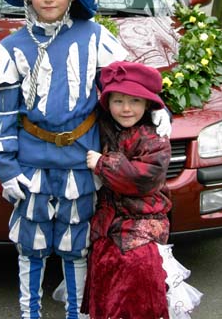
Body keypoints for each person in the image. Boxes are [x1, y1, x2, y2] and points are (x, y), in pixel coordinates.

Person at [0, 0, 172, 319]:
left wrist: (158, 109)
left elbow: (124, 90)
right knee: (31, 245)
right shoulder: (12, 47)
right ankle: (29, 312)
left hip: (80, 163)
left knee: (75, 243)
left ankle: (75, 313)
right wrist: (6, 167)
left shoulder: (95, 38)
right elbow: (1, 118)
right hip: (32, 164)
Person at [82, 60, 202, 319]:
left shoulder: (154, 138)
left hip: (144, 218)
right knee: (103, 263)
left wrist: (103, 163)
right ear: (107, 104)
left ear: (148, 104)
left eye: (135, 101)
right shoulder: (102, 127)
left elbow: (143, 179)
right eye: (118, 101)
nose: (126, 109)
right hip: (108, 219)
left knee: (138, 265)